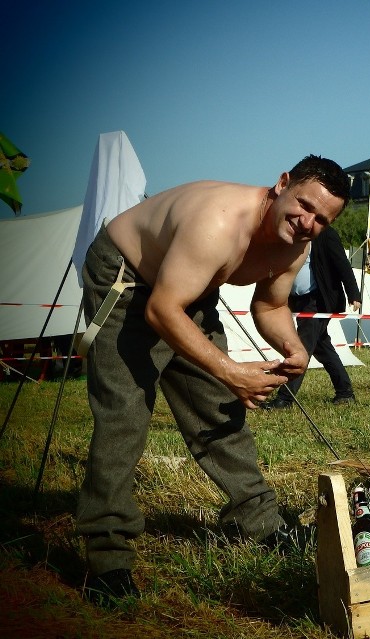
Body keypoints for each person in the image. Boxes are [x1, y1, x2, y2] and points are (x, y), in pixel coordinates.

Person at [75, 155, 349, 606]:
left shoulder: (297, 245)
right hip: (127, 284)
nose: (307, 223)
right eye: (304, 205)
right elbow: (161, 310)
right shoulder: (218, 222)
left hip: (187, 293)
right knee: (124, 415)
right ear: (282, 184)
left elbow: (270, 306)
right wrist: (231, 370)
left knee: (219, 407)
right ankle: (107, 556)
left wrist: (295, 348)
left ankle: (260, 522)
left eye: (322, 220)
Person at [262, 224, 361, 409]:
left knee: (302, 349)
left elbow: (342, 263)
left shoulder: (326, 234)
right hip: (299, 300)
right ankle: (345, 392)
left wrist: (354, 293)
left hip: (318, 300)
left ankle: (285, 399)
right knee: (322, 348)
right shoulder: (293, 236)